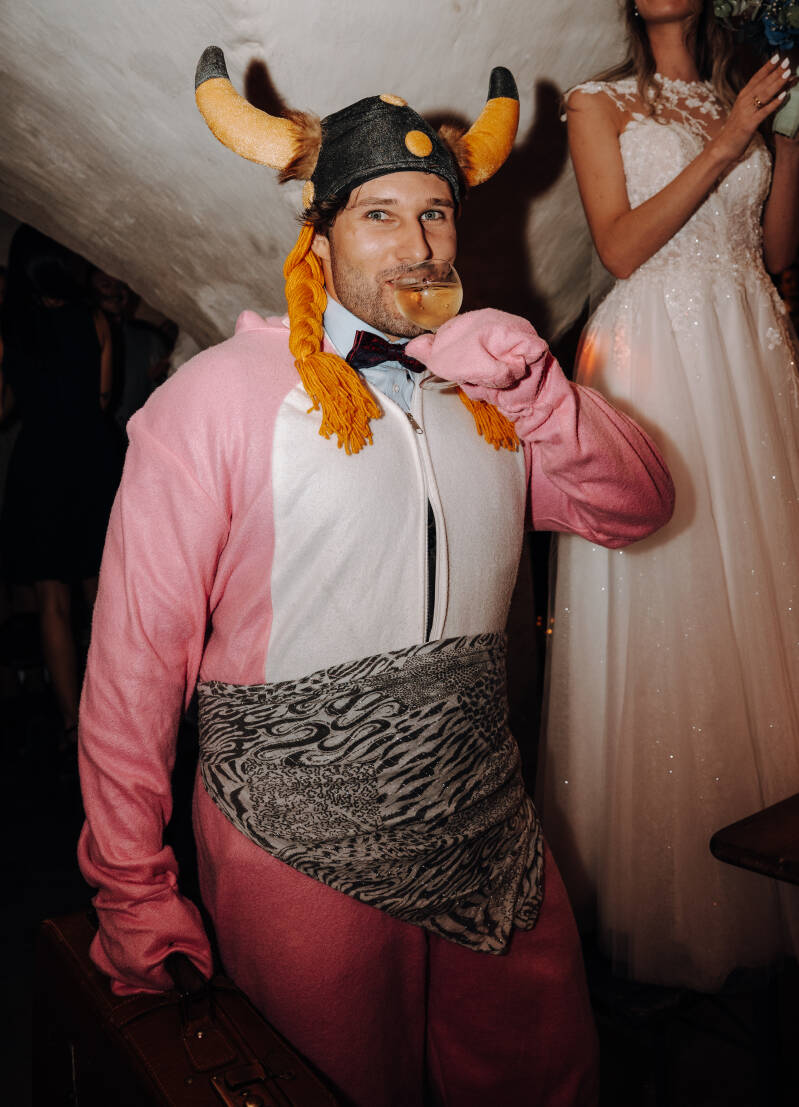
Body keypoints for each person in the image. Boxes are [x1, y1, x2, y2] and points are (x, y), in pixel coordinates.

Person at [77, 46, 674, 1107]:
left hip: (488, 824)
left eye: (434, 212)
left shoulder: (491, 390)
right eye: (379, 215)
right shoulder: (212, 401)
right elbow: (133, 670)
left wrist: (534, 389)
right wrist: (132, 890)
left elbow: (637, 508)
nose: (418, 243)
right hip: (294, 839)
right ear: (319, 237)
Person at [538, 0, 799, 994]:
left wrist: (781, 139)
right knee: (677, 584)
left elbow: (773, 252)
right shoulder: (595, 102)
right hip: (657, 360)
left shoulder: (746, 92)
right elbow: (617, 248)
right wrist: (728, 142)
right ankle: (668, 890)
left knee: (763, 586)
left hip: (746, 347)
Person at [0, 236, 123, 748]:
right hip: (91, 457)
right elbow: (103, 397)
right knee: (100, 592)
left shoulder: (12, 327)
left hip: (39, 464)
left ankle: (73, 723)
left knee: (52, 599)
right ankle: (111, 713)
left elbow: (3, 408)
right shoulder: (95, 319)